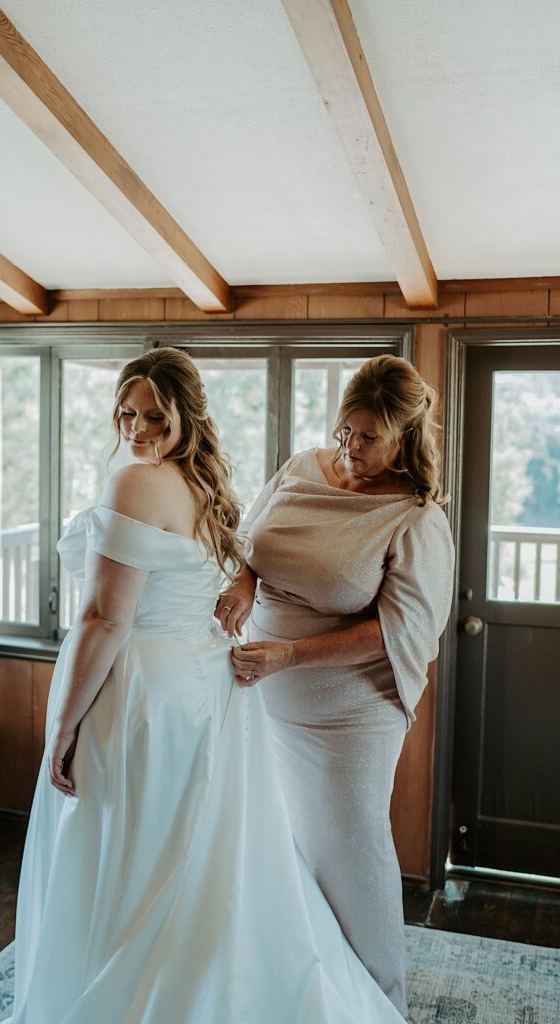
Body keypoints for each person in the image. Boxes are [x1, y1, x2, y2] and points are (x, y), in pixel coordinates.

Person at [1, 347, 404, 1024]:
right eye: (125, 413)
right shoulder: (203, 485)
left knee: (129, 851)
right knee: (190, 856)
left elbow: (103, 618)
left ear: (184, 416)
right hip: (201, 689)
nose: (136, 429)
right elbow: (227, 570)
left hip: (142, 693)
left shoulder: (136, 482)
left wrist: (62, 726)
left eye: (154, 417)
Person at [216, 354, 455, 1019]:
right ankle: (309, 988)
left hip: (350, 715)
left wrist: (290, 653)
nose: (350, 449)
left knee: (352, 856)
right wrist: (240, 585)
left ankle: (381, 1001)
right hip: (264, 697)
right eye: (344, 431)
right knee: (285, 849)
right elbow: (247, 543)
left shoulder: (412, 516)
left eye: (369, 438)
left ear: (403, 438)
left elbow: (397, 630)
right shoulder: (299, 469)